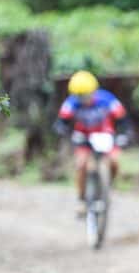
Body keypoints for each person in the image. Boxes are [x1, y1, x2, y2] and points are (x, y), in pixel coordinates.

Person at [53, 71, 131, 217]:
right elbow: (61, 122)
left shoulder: (107, 99)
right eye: (80, 96)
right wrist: (64, 131)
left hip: (105, 136)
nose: (84, 99)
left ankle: (107, 188)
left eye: (87, 95)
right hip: (84, 138)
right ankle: (81, 199)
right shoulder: (71, 103)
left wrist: (124, 134)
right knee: (81, 164)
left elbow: (122, 119)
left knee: (114, 162)